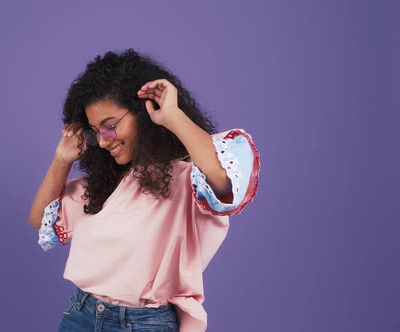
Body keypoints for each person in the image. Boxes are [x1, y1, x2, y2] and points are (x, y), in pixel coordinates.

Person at [28, 49, 260, 331]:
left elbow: (225, 181)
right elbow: (40, 220)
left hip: (143, 323)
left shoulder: (188, 178)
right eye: (95, 131)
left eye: (109, 126)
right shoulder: (107, 184)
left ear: (142, 113)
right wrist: (61, 160)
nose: (102, 141)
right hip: (81, 314)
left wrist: (172, 116)